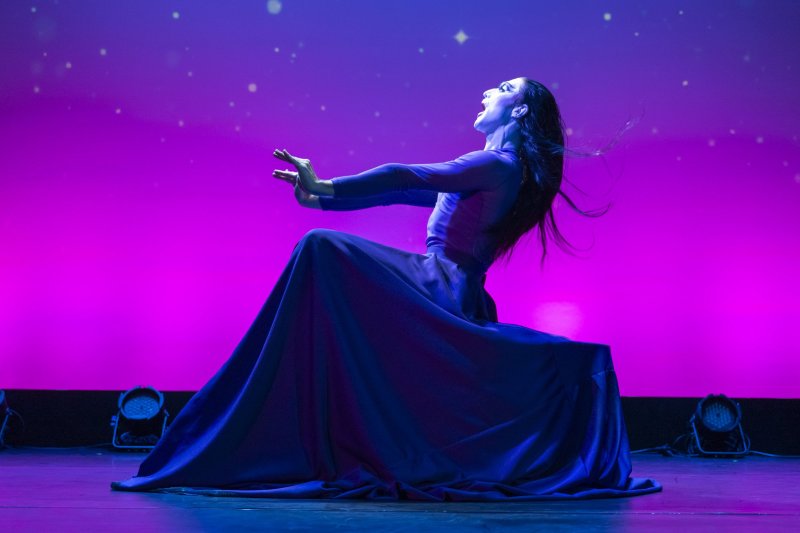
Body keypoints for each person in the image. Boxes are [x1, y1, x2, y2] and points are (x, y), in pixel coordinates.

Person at [111, 77, 660, 500]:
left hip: (442, 288)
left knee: (322, 249)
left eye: (505, 88)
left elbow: (405, 174)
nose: (489, 90)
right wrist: (320, 197)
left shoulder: (496, 164)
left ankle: (278, 429)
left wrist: (324, 186)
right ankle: (299, 427)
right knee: (321, 246)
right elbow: (404, 193)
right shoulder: (497, 170)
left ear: (517, 112)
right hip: (448, 287)